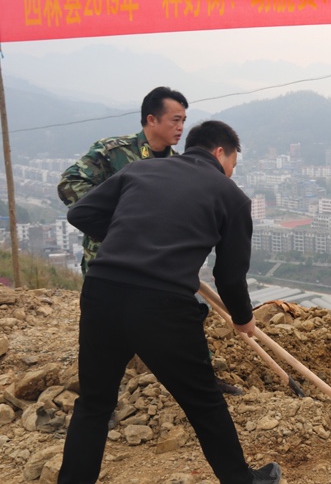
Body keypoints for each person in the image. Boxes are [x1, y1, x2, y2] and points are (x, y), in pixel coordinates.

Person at [58, 121, 281, 484]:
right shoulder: (231, 196)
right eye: (233, 163)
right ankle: (243, 480)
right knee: (203, 401)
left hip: (103, 290)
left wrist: (132, 236)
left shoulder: (140, 168)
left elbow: (79, 213)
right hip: (161, 304)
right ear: (220, 152)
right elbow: (229, 276)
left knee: (95, 404)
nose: (231, 172)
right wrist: (243, 319)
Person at [58, 85, 189, 273]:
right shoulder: (113, 151)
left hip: (153, 264)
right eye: (175, 120)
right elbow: (69, 183)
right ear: (152, 120)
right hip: (108, 260)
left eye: (183, 121)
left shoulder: (178, 164)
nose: (180, 128)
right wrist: (114, 222)